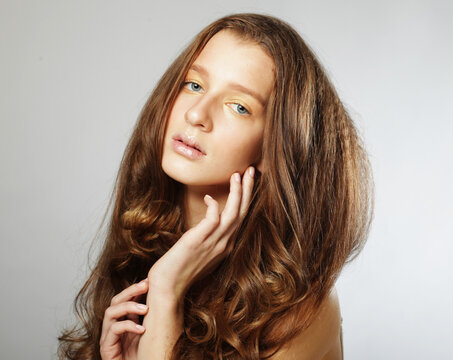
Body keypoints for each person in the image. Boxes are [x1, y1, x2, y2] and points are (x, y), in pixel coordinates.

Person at [58, 12, 373, 360]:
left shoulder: (301, 310)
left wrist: (165, 293)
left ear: (275, 148)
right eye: (194, 85)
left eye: (238, 106)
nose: (197, 114)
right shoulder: (145, 248)